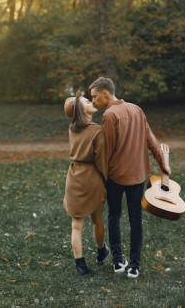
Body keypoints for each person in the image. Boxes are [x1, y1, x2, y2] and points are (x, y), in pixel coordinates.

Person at [88, 77, 170, 279]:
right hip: (137, 175)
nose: (93, 102)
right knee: (136, 219)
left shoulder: (109, 115)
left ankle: (117, 261)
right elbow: (152, 140)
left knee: (114, 215)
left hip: (115, 176)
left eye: (95, 96)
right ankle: (134, 266)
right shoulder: (136, 109)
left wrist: (100, 178)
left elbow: (107, 152)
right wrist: (164, 164)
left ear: (105, 93)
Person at [62, 91, 111, 276]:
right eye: (86, 101)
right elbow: (102, 161)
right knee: (97, 219)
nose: (91, 101)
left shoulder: (72, 129)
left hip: (74, 177)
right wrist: (107, 181)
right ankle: (101, 251)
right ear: (81, 111)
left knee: (76, 225)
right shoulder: (97, 130)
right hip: (92, 178)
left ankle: (80, 264)